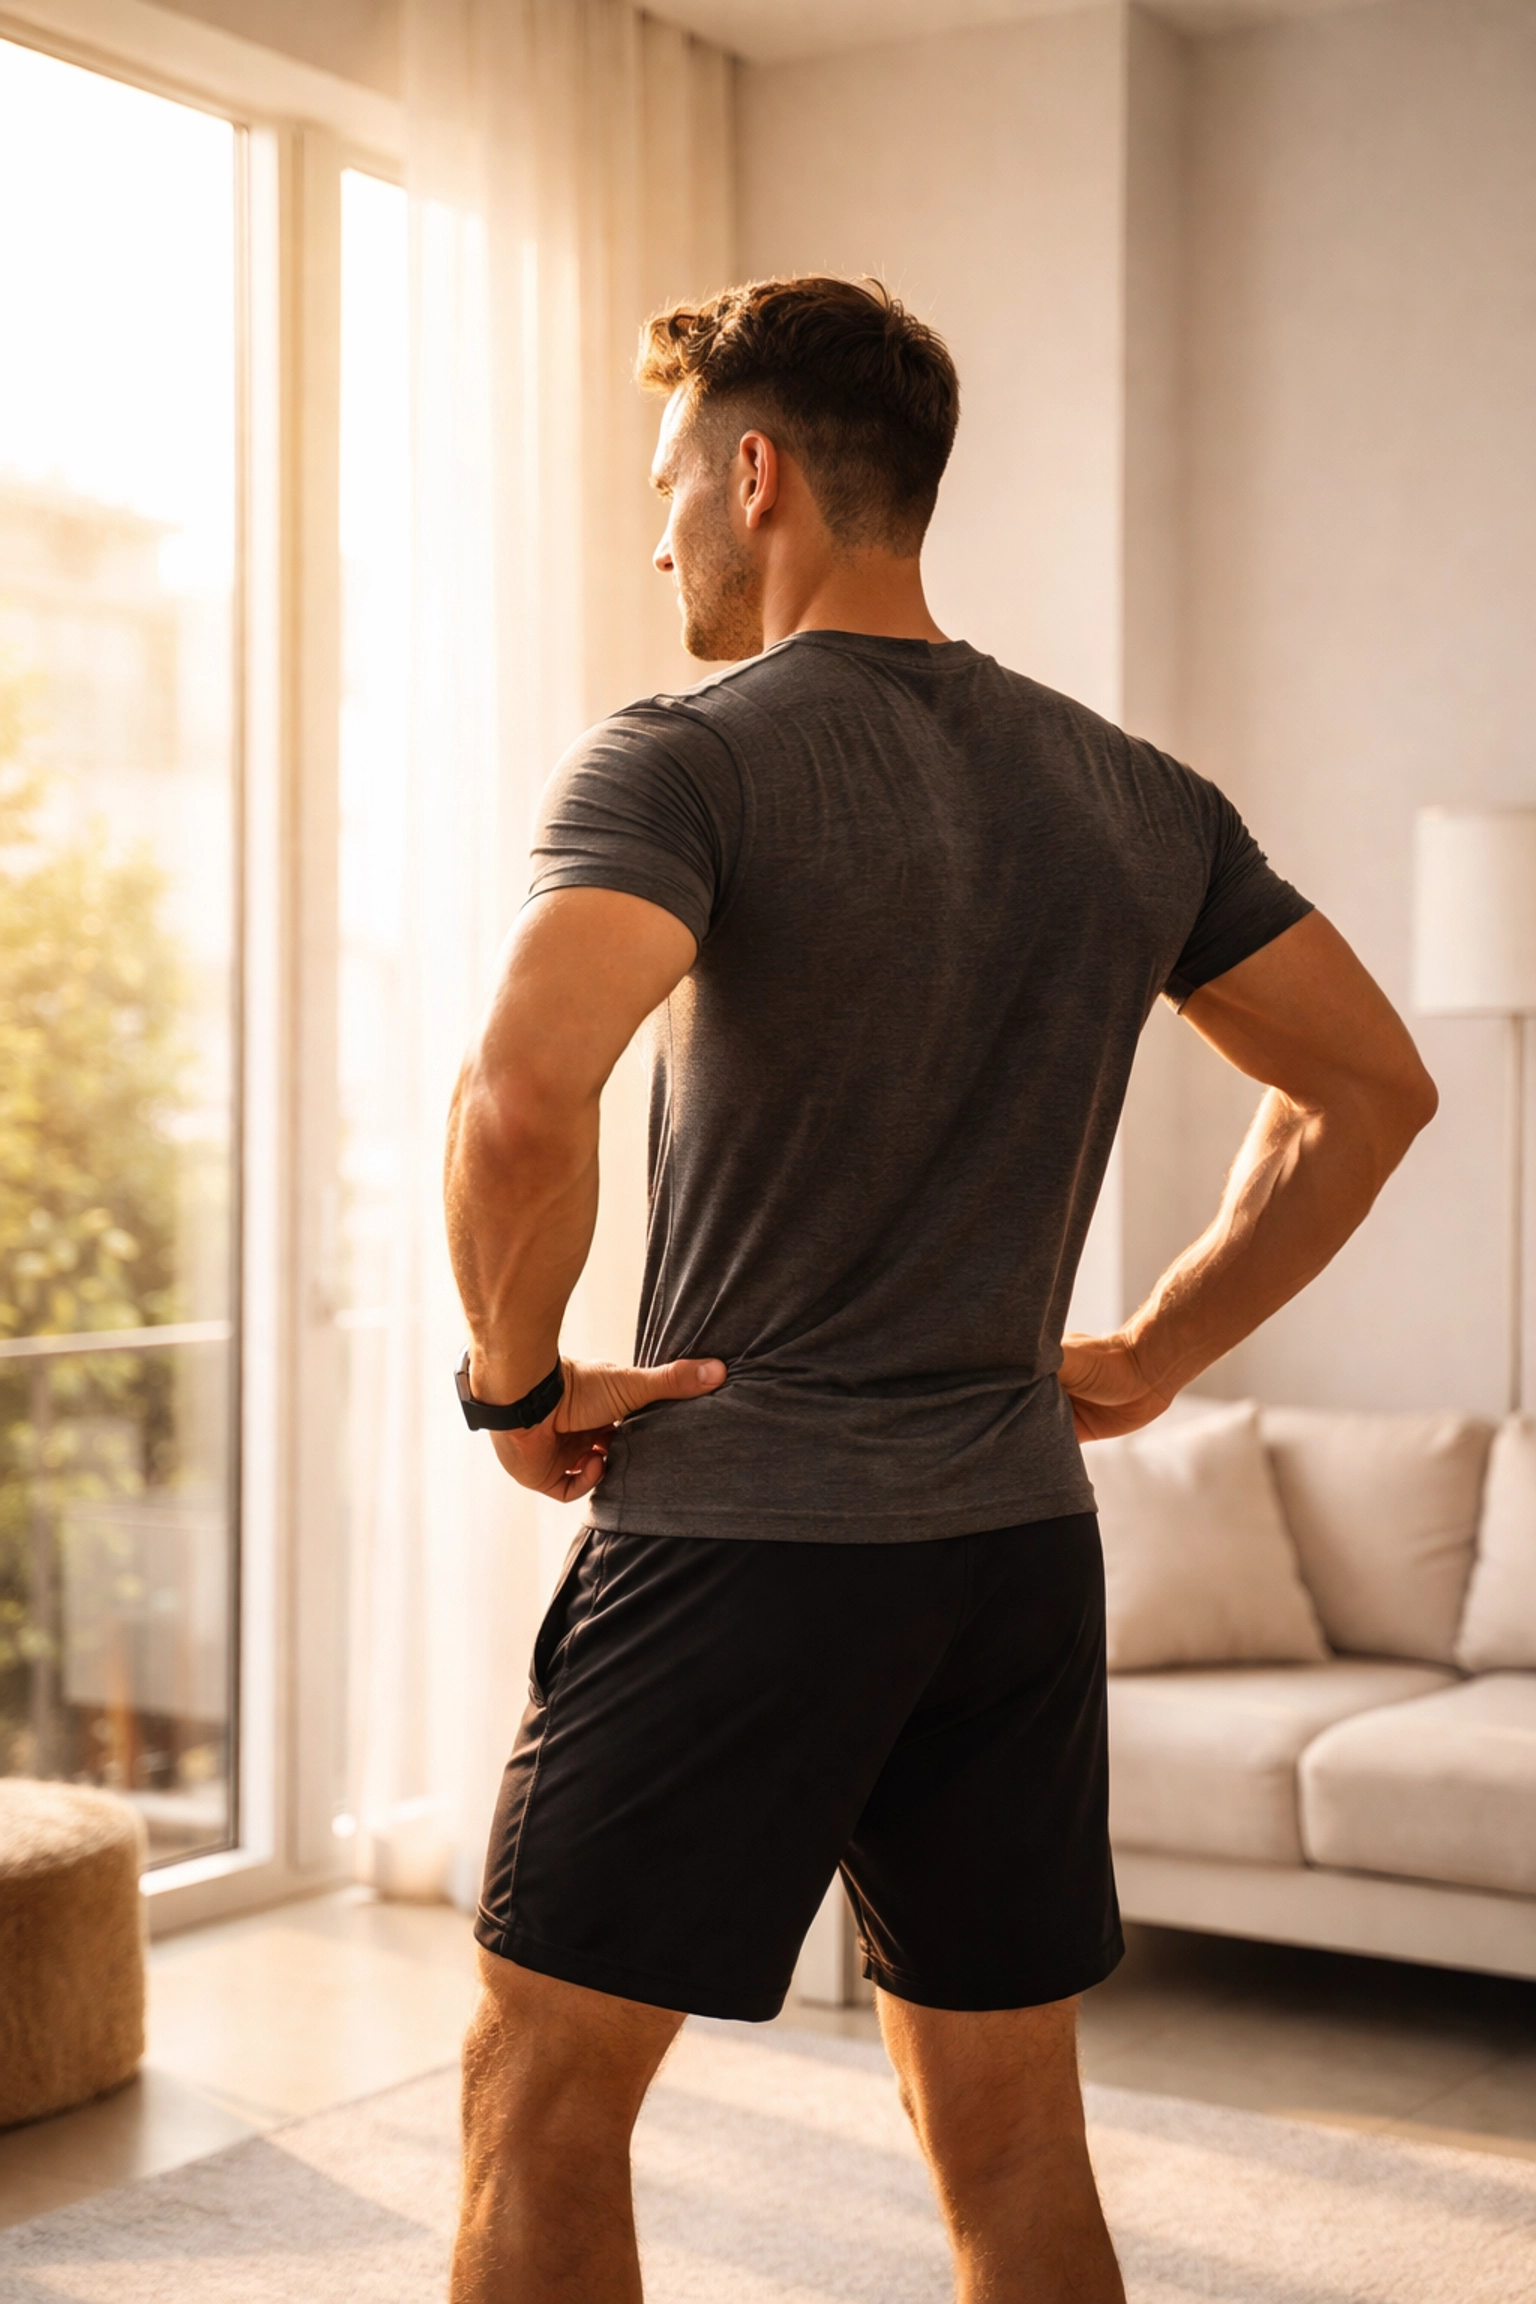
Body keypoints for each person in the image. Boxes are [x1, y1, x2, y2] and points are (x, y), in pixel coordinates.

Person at [442, 275, 1436, 2304]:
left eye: (668, 487)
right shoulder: (1132, 792)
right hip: (1009, 1551)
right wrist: (1152, 1349)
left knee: (538, 2101)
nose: (658, 542)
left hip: (745, 1538)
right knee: (1006, 2139)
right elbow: (1370, 1087)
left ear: (756, 472)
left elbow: (523, 1097)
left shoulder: (686, 756)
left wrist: (514, 1381)